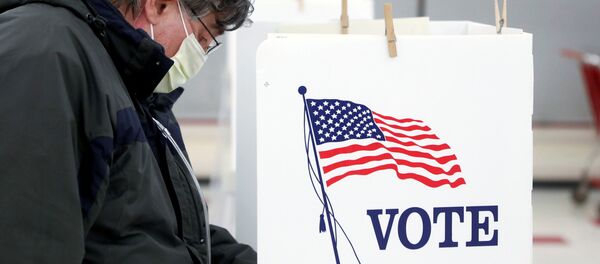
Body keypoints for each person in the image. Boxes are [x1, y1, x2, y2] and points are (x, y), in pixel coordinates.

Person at [0, 0, 255, 263]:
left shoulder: (133, 86)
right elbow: (27, 237)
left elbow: (171, 235)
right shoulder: (45, 53)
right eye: (202, 37)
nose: (200, 55)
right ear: (159, 6)